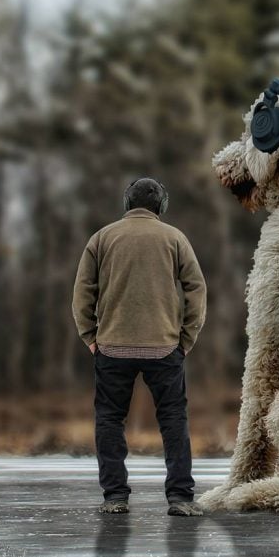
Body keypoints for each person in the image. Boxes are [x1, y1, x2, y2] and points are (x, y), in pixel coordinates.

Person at [72, 177, 207, 516]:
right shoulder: (175, 238)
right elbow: (196, 289)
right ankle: (180, 498)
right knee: (174, 420)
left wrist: (90, 336)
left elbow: (82, 292)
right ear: (161, 206)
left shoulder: (101, 238)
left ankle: (115, 496)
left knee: (109, 419)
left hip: (112, 347)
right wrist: (186, 338)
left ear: (126, 204)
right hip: (164, 348)